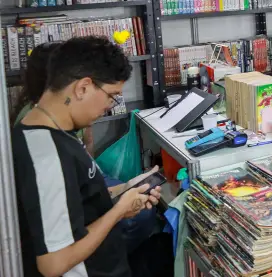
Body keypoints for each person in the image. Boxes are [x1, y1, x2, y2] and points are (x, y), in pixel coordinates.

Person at [12, 36, 168, 277]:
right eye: (111, 95)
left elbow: (73, 199)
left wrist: (123, 192)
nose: (110, 105)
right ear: (83, 87)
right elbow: (53, 264)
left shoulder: (52, 129)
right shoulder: (48, 155)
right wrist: (117, 213)